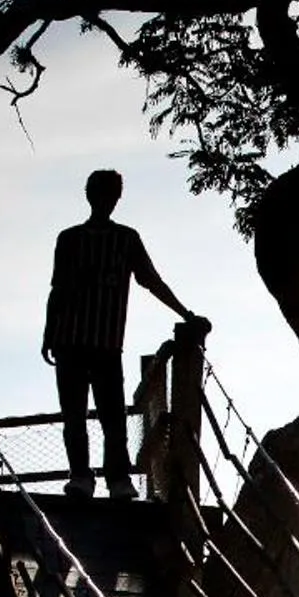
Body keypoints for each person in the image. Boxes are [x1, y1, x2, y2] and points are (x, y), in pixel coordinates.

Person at [42, 169, 205, 499]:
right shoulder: (70, 239)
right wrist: (49, 333)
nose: (109, 200)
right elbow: (58, 289)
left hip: (101, 343)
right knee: (81, 416)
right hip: (73, 341)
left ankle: (114, 478)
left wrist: (185, 314)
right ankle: (84, 476)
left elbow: (151, 280)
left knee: (110, 417)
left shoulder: (124, 239)